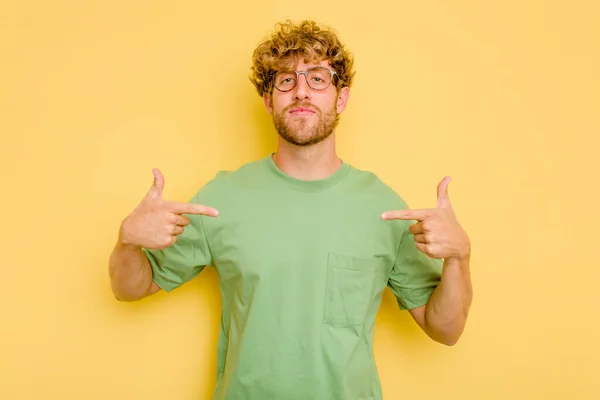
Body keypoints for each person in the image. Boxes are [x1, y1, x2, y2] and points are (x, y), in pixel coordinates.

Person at [108, 19, 473, 400]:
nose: (301, 92)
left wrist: (459, 257)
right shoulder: (221, 198)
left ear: (341, 97)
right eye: (285, 80)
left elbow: (445, 329)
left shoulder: (384, 208)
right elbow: (129, 288)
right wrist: (127, 242)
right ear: (268, 100)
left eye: (317, 78)